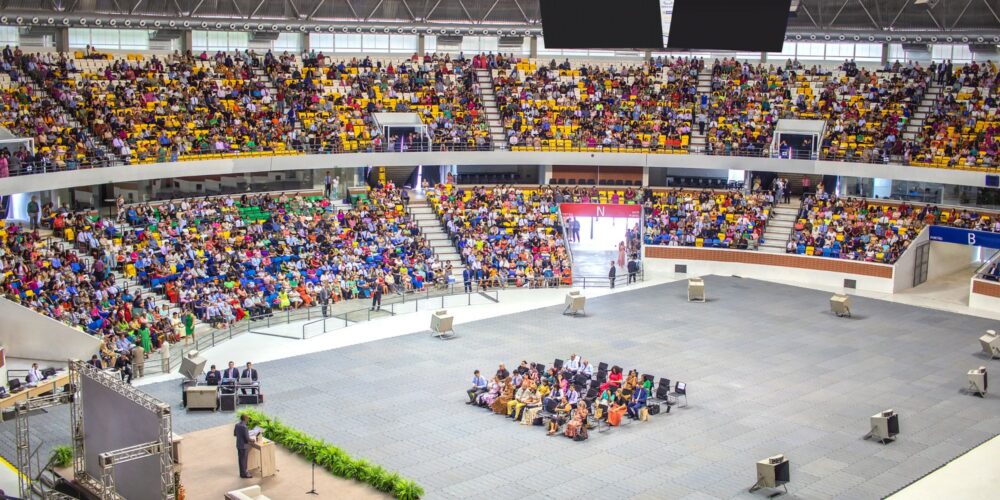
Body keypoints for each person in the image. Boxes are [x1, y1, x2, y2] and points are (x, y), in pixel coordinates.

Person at [234, 414, 252, 478]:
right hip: (244, 446)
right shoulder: (245, 427)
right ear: (245, 419)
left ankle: (242, 473)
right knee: (244, 460)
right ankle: (245, 474)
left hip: (238, 445)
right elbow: (247, 439)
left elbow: (235, 434)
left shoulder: (237, 425)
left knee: (241, 460)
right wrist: (252, 440)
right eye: (247, 418)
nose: (248, 419)